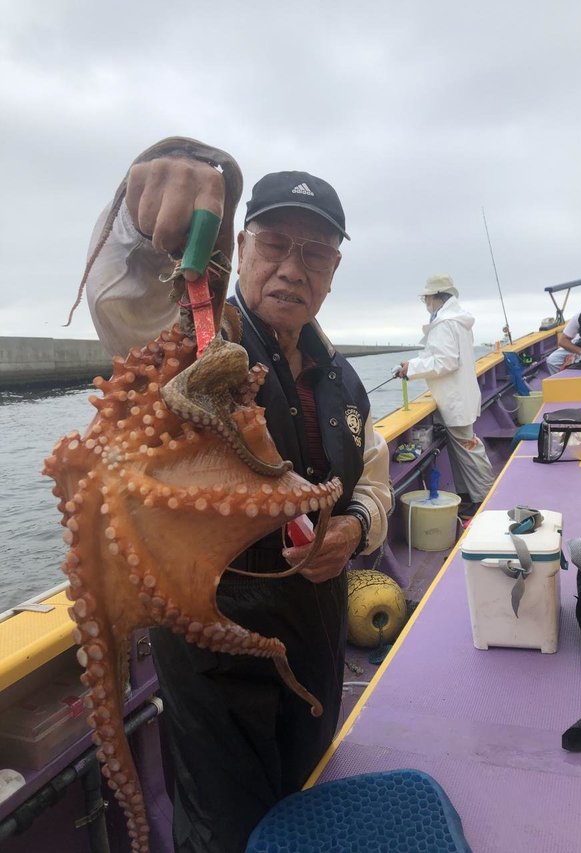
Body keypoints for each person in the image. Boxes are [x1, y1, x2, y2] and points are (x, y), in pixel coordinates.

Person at [83, 136, 392, 852]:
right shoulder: (202, 346)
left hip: (315, 636)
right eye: (275, 245)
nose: (291, 269)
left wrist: (352, 528)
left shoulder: (341, 379)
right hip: (211, 651)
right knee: (227, 832)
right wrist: (141, 217)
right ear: (242, 245)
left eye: (314, 255)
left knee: (310, 797)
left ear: (334, 270)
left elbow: (372, 478)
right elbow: (127, 303)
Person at [396, 274, 494, 518]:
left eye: (426, 298)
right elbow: (448, 358)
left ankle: (485, 498)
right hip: (461, 396)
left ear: (436, 297)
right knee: (464, 449)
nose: (426, 302)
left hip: (455, 400)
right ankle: (470, 497)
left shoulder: (444, 323)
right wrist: (415, 364)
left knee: (468, 449)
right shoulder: (458, 321)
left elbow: (446, 361)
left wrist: (413, 368)